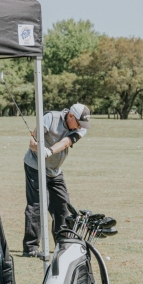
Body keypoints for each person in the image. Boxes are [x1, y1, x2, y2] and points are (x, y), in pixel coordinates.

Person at [21, 103, 91, 258]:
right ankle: (30, 247)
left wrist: (50, 151)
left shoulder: (81, 129)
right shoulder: (50, 118)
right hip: (35, 166)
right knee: (38, 204)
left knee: (63, 206)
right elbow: (32, 142)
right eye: (79, 122)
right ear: (70, 115)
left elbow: (66, 142)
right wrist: (39, 148)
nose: (80, 127)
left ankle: (62, 243)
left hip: (54, 170)